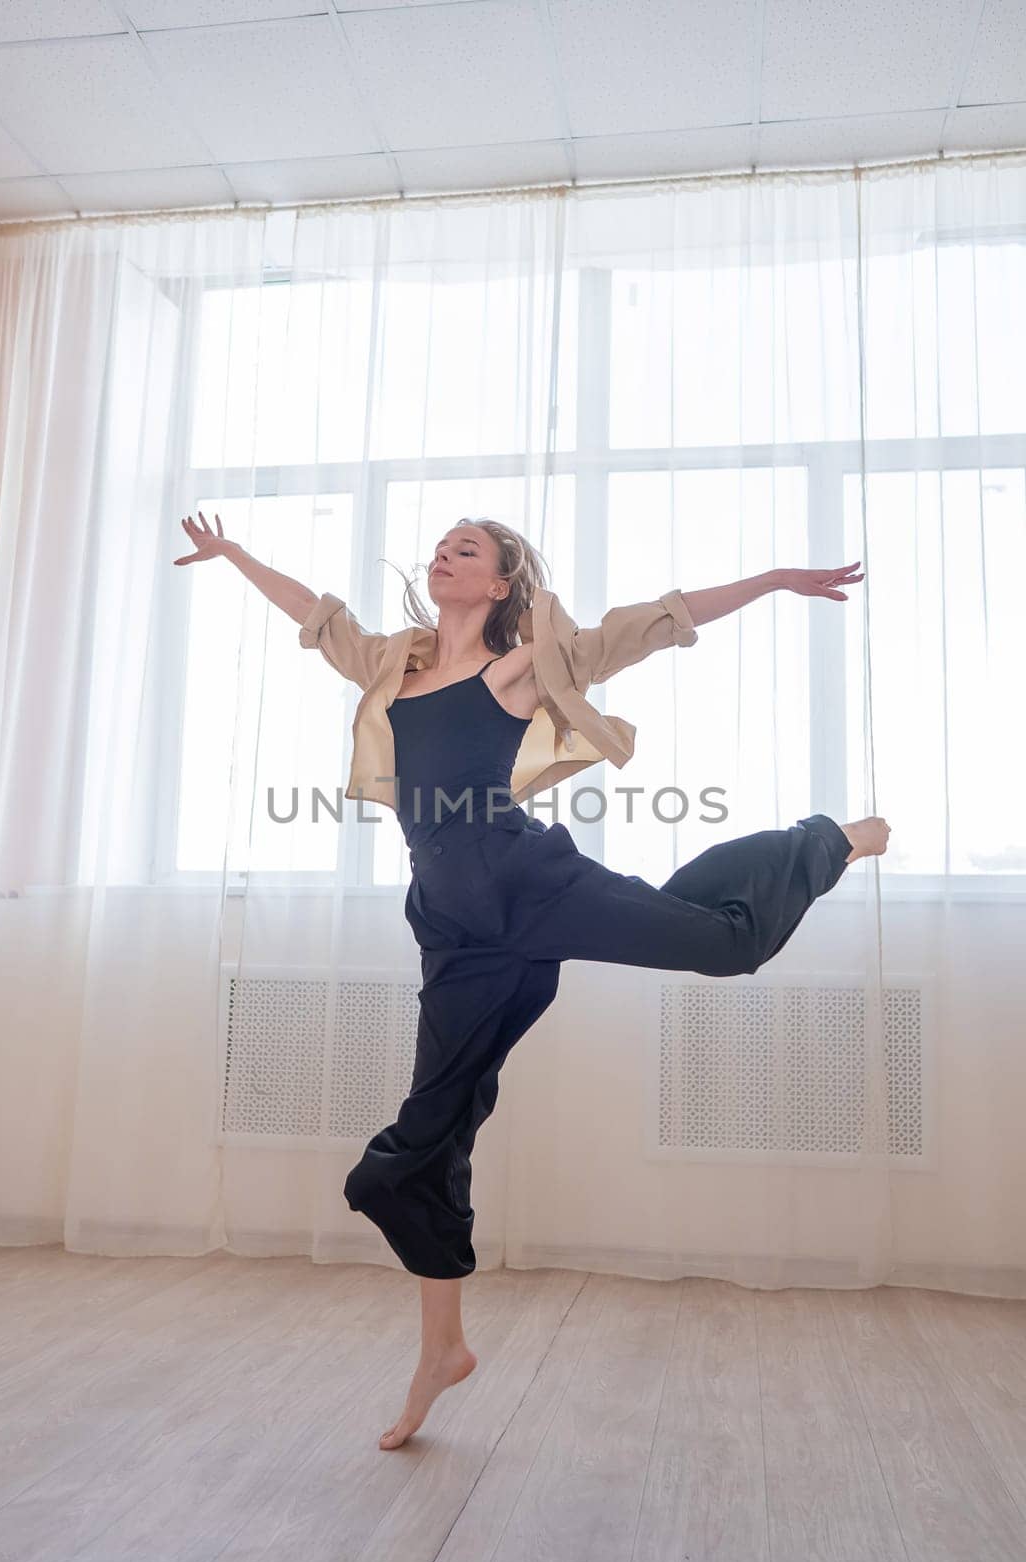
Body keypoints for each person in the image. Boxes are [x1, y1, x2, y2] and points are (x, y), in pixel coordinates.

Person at [176, 509, 891, 1451]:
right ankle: (444, 1350)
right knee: (425, 1139)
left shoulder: (520, 668)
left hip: (529, 883)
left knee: (725, 946)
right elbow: (315, 613)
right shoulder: (393, 662)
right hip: (455, 926)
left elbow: (656, 621)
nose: (443, 553)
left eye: (467, 549)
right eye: (440, 544)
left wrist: (769, 581)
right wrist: (233, 557)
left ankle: (824, 840)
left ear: (501, 582)